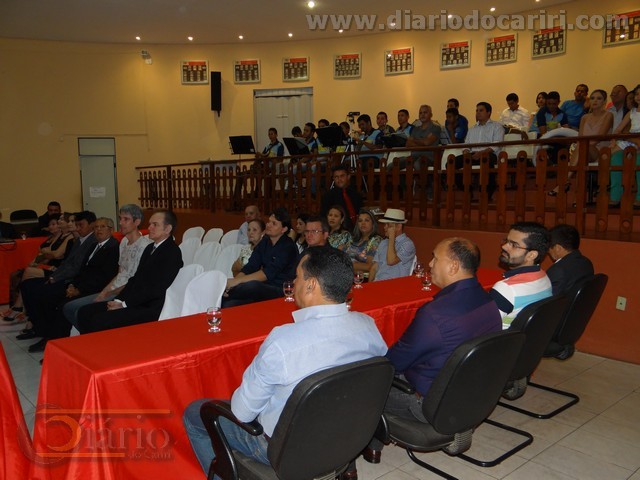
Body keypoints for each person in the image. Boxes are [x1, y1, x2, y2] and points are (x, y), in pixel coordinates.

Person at [182, 246, 388, 475]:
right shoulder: (368, 327)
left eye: (298, 276)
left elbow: (242, 413)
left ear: (311, 285)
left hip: (285, 449)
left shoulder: (284, 341)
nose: (294, 282)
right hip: (348, 435)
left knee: (195, 412)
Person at [364, 238, 501, 460]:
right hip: (474, 394)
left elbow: (394, 363)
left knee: (362, 381)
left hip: (429, 403)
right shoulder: (488, 301)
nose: (429, 264)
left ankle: (369, 447)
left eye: (435, 258)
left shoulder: (436, 314)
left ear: (453, 266)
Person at [75, 210, 183, 333]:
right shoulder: (150, 248)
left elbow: (156, 289)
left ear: (168, 229)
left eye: (155, 224)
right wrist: (118, 300)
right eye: (150, 224)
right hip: (135, 301)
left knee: (99, 320)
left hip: (150, 306)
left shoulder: (172, 252)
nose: (149, 228)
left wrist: (125, 304)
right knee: (84, 312)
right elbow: (135, 279)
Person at [26, 217, 120, 351]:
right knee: (46, 296)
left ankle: (60, 344)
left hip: (94, 289)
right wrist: (72, 285)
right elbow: (81, 270)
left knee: (62, 305)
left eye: (102, 227)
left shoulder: (113, 248)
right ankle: (47, 335)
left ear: (111, 229)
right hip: (79, 285)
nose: (98, 230)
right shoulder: (94, 246)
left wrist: (79, 290)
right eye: (96, 227)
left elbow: (104, 277)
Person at [62, 204, 152, 328]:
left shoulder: (145, 246)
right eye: (120, 218)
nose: (121, 222)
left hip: (126, 292)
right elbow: (119, 273)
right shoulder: (124, 242)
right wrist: (104, 292)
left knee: (80, 311)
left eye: (126, 219)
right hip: (113, 289)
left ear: (137, 222)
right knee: (69, 308)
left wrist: (109, 293)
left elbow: (136, 280)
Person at [17, 211, 98, 341]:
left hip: (71, 281)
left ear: (91, 225)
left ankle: (47, 332)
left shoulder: (92, 241)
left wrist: (55, 278)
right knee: (26, 285)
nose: (78, 228)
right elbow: (67, 263)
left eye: (80, 225)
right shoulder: (79, 240)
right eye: (76, 224)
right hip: (62, 276)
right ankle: (37, 326)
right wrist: (53, 276)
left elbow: (76, 268)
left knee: (43, 293)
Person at [222, 208, 297, 307]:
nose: (268, 225)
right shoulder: (265, 241)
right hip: (263, 288)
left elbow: (268, 273)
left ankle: (221, 294)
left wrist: (236, 282)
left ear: (283, 229)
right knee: (229, 304)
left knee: (252, 285)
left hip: (280, 289)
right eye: (269, 221)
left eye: (274, 223)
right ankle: (222, 296)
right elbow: (251, 266)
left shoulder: (288, 246)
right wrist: (232, 284)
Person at [548, 89, 613, 196]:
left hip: (600, 151)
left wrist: (583, 145)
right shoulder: (584, 117)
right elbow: (580, 136)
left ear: (604, 101)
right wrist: (582, 145)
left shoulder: (608, 115)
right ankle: (576, 196)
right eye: (592, 98)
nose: (595, 101)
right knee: (581, 148)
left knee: (581, 146)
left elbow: (600, 136)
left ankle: (564, 181)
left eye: (599, 98)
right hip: (583, 149)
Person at [490, 222, 552, 329]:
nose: (504, 246)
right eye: (506, 241)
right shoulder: (544, 277)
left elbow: (482, 327)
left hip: (502, 338)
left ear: (531, 255)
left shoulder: (506, 289)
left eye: (514, 245)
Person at [456, 102, 504, 199]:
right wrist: (466, 151)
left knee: (487, 161)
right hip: (473, 155)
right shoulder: (472, 129)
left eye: (481, 110)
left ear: (489, 112)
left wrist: (482, 153)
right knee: (451, 163)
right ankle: (467, 189)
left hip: (488, 154)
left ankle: (487, 192)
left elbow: (496, 145)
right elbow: (466, 144)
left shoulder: (497, 126)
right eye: (477, 110)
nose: (478, 113)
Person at [609, 84, 640, 208]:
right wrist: (613, 140)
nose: (638, 97)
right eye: (637, 94)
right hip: (629, 140)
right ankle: (615, 195)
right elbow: (618, 130)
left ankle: (639, 197)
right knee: (615, 159)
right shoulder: (632, 112)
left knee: (638, 161)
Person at [369, 208, 416, 282]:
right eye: (385, 224)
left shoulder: (408, 244)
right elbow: (374, 268)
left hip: (395, 285)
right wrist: (368, 286)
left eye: (389, 225)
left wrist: (391, 238)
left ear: (399, 227)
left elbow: (391, 261)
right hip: (378, 283)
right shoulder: (383, 243)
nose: (384, 227)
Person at [547, 224, 594, 295]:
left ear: (558, 248)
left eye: (549, 247)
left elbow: (548, 299)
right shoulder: (587, 262)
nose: (548, 251)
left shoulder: (557, 270)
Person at [320, 164, 363, 231]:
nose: (339, 179)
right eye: (336, 177)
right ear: (333, 179)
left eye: (342, 176)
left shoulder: (356, 195)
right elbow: (324, 217)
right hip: (338, 231)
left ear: (348, 176)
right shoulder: (328, 196)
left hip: (358, 229)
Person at [346, 209, 382, 275]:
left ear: (373, 223)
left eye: (367, 220)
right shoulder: (353, 239)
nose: (363, 223)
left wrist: (347, 265)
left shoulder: (376, 240)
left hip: (364, 278)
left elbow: (369, 266)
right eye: (360, 221)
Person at [405, 104, 441, 169]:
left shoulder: (436, 128)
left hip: (429, 158)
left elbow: (427, 142)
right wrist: (422, 142)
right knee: (393, 164)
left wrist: (414, 141)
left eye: (425, 112)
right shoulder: (415, 129)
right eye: (420, 113)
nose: (422, 115)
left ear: (431, 115)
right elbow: (408, 143)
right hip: (414, 156)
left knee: (417, 164)